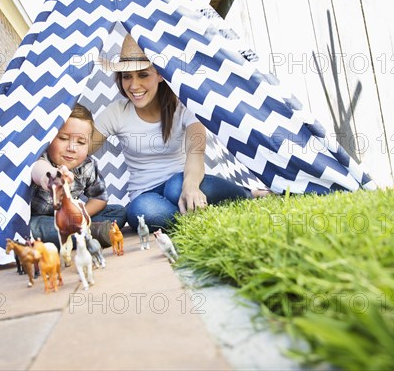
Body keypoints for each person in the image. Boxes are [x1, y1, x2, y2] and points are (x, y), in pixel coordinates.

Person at [91, 35, 269, 232]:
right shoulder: (116, 112)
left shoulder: (183, 105)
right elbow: (82, 148)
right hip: (144, 194)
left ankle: (246, 194)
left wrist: (190, 186)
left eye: (143, 75)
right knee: (142, 212)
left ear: (159, 74)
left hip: (184, 179)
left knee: (176, 187)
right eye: (127, 77)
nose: (134, 86)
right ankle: (202, 215)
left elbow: (196, 151)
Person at [30, 103, 127, 248]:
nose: (72, 148)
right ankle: (90, 234)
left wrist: (81, 216)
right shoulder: (40, 158)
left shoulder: (87, 165)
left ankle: (82, 231)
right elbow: (39, 169)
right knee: (32, 227)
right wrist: (52, 177)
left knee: (118, 212)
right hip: (40, 219)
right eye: (63, 138)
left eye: (81, 142)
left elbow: (99, 198)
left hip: (71, 217)